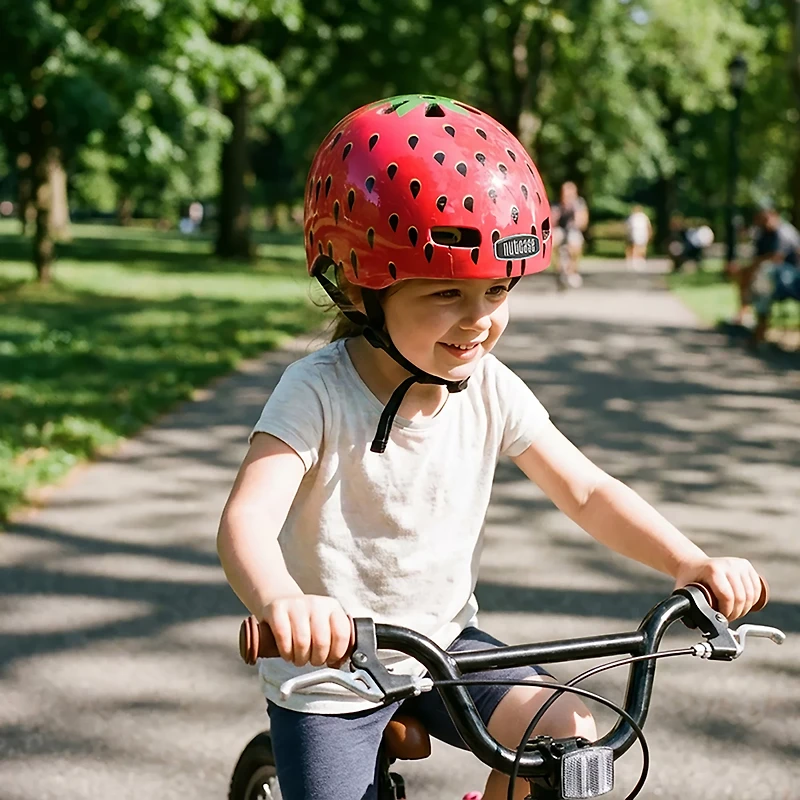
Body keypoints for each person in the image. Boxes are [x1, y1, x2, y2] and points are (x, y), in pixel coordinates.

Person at [216, 94, 763, 800]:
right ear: (359, 287)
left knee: (571, 743)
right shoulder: (315, 391)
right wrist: (284, 601)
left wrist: (690, 562)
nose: (479, 323)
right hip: (331, 669)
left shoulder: (487, 385)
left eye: (497, 291)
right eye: (447, 293)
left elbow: (587, 491)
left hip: (444, 645)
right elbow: (246, 523)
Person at [728, 208, 800, 340]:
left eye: (765, 219)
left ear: (774, 217)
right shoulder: (763, 233)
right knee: (748, 273)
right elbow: (757, 256)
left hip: (789, 276)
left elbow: (777, 258)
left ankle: (757, 326)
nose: (763, 223)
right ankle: (745, 312)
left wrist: (753, 266)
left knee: (763, 277)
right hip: (768, 272)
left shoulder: (784, 232)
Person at [552, 181, 589, 288]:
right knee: (551, 242)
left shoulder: (579, 204)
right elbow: (551, 221)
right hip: (560, 229)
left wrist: (576, 216)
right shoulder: (557, 205)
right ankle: (559, 270)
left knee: (575, 244)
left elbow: (583, 222)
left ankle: (572, 271)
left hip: (573, 229)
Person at [625, 205, 652, 270]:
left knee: (640, 247)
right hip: (638, 234)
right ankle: (636, 260)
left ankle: (639, 259)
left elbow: (627, 227)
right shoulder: (636, 217)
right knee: (637, 247)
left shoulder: (640, 217)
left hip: (640, 234)